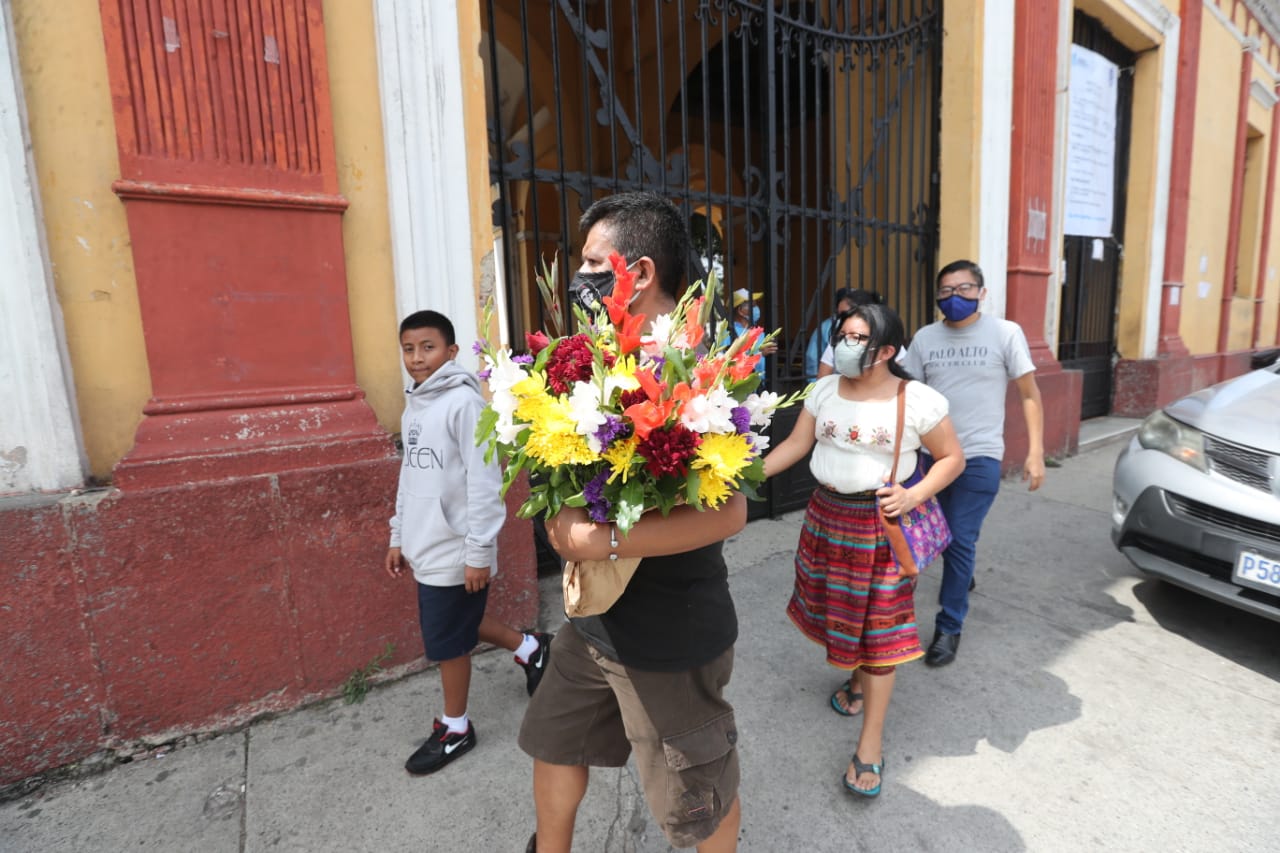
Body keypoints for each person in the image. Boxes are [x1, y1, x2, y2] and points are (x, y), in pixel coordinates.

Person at [520, 192, 747, 853]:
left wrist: (602, 537)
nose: (578, 276)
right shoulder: (593, 357)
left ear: (638, 272)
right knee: (554, 741)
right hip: (594, 616)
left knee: (697, 794)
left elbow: (730, 510)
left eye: (593, 261)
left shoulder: (701, 370)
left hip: (670, 636)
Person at [763, 303, 963, 798]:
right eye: (843, 336)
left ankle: (869, 747)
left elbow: (952, 458)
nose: (845, 346)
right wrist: (740, 474)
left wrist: (914, 494)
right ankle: (854, 684)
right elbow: (795, 445)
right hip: (826, 519)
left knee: (881, 631)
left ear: (888, 351)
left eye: (858, 339)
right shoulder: (825, 390)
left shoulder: (916, 400)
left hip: (880, 527)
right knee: (847, 613)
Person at [385, 309, 552, 776]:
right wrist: (399, 534)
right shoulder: (414, 405)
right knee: (457, 621)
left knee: (446, 642)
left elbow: (484, 484)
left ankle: (456, 729)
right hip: (425, 544)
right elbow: (409, 475)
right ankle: (531, 649)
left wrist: (478, 552)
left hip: (456, 548)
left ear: (451, 352)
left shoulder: (465, 405)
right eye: (409, 348)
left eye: (428, 347)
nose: (417, 358)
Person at [902, 259, 1045, 667]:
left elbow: (1030, 394)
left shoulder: (1005, 333)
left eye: (964, 289)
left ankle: (949, 625)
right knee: (935, 533)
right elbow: (907, 392)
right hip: (932, 455)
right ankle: (961, 574)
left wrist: (1035, 453)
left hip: (980, 455)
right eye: (945, 291)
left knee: (959, 537)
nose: (954, 297)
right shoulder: (925, 338)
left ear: (982, 292)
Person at [813, 289, 883, 380]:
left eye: (844, 315)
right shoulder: (836, 339)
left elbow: (902, 371)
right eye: (839, 315)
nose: (840, 319)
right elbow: (822, 378)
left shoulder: (885, 338)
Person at [727, 288, 777, 385]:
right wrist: (760, 354)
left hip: (763, 386)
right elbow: (729, 361)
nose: (757, 309)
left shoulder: (759, 332)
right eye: (753, 305)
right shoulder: (728, 333)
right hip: (741, 387)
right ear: (740, 311)